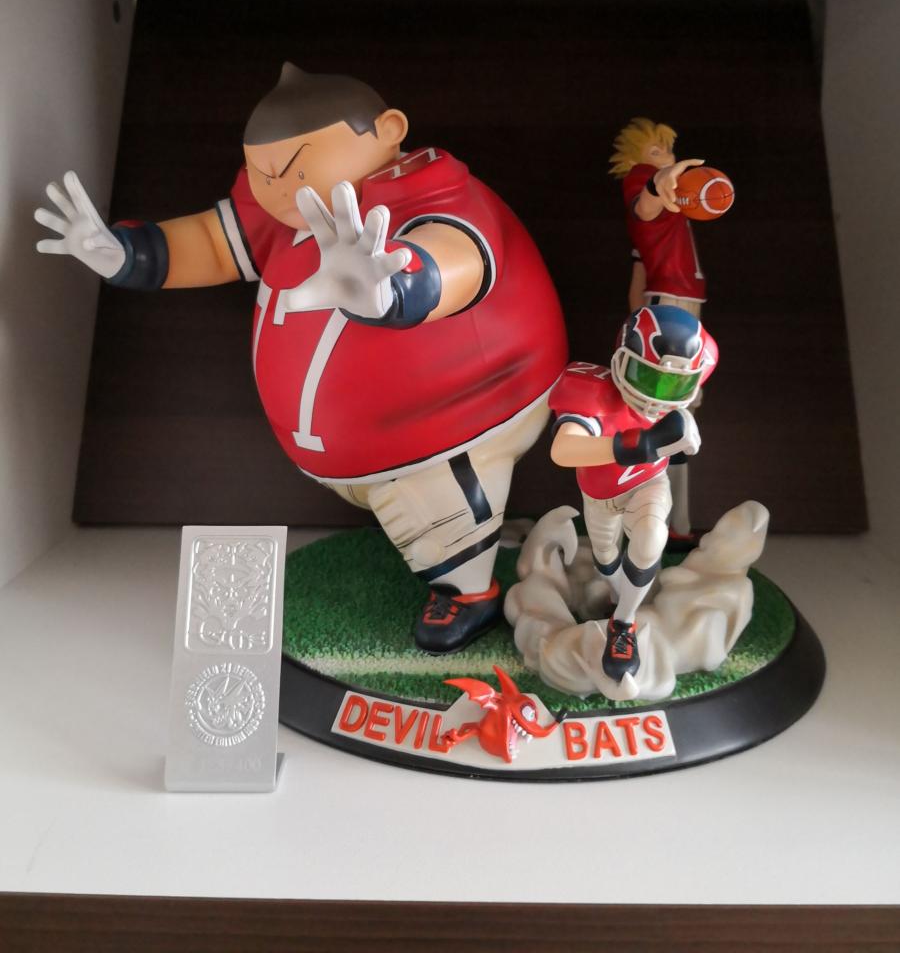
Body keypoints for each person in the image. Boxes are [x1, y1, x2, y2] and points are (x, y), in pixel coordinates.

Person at [35, 64, 568, 653]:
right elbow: (213, 243)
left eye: (292, 166)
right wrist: (127, 254)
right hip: (355, 449)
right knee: (414, 506)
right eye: (261, 172)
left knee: (439, 509)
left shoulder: (430, 193)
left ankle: (469, 593)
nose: (276, 187)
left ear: (389, 130)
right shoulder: (280, 215)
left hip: (458, 420)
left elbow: (459, 256)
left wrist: (395, 288)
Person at [549, 305, 717, 682]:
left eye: (671, 385)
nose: (657, 396)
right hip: (600, 494)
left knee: (651, 536)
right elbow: (563, 450)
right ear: (622, 360)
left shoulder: (690, 384)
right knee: (606, 559)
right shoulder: (592, 392)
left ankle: (623, 624)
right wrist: (640, 444)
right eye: (647, 376)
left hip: (648, 483)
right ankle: (619, 595)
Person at [609, 117, 707, 539]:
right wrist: (657, 180)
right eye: (656, 151)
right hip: (669, 306)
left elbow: (638, 271)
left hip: (668, 304)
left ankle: (672, 523)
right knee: (664, 414)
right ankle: (654, 522)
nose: (666, 157)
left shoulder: (671, 214)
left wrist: (634, 321)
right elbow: (644, 204)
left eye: (667, 150)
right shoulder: (643, 178)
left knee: (677, 414)